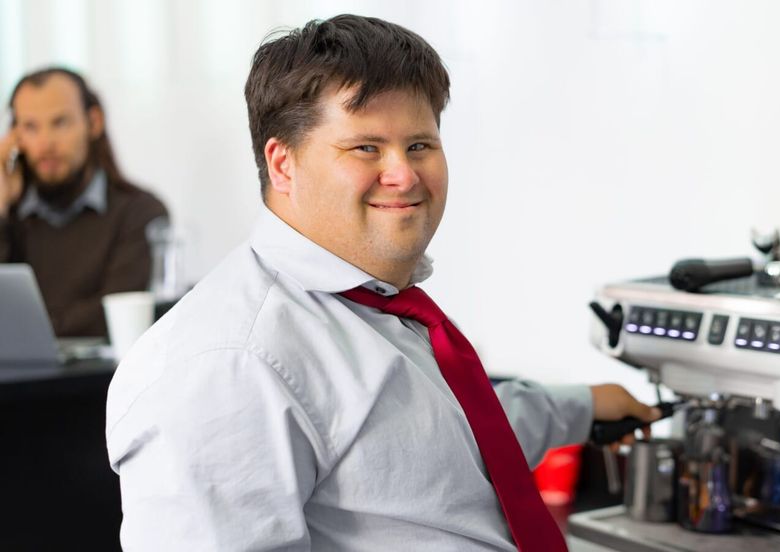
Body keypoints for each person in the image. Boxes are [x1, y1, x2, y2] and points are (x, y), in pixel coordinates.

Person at [105, 14, 659, 551]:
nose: (404, 173)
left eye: (419, 145)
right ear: (283, 165)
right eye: (365, 147)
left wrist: (582, 404)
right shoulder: (228, 364)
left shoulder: (377, 306)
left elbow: (440, 435)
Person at [0, 68, 168, 337]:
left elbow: (115, 317)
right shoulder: (9, 214)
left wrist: (25, 328)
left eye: (60, 123)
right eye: (30, 127)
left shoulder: (141, 213)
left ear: (93, 122)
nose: (45, 143)